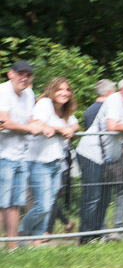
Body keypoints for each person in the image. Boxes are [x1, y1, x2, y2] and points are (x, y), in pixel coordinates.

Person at [76, 77, 123, 242]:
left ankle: (98, 235)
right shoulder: (115, 100)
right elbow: (112, 126)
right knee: (92, 196)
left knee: (105, 198)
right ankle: (85, 238)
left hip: (110, 158)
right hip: (91, 153)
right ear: (120, 91)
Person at [22, 77, 78, 243]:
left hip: (56, 163)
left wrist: (70, 128)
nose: (64, 93)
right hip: (39, 162)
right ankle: (20, 234)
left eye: (67, 90)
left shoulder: (64, 110)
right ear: (52, 90)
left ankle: (36, 241)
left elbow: (75, 124)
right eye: (60, 89)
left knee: (50, 205)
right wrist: (63, 129)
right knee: (43, 206)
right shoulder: (44, 104)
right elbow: (39, 124)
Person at [0, 60, 45, 249]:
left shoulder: (28, 94)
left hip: (21, 155)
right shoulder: (3, 91)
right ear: (11, 74)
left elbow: (32, 120)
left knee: (15, 203)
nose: (24, 78)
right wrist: (28, 128)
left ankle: (11, 246)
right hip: (3, 155)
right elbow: (4, 122)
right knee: (2, 202)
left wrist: (30, 126)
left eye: (28, 75)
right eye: (20, 74)